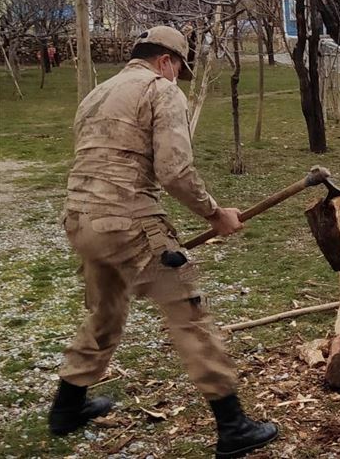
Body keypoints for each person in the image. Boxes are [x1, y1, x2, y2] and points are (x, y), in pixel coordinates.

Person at [48, 26, 278, 458]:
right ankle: (233, 427)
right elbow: (174, 169)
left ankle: (67, 407)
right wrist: (214, 213)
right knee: (189, 313)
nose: (177, 78)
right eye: (179, 69)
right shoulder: (160, 89)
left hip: (80, 220)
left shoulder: (98, 93)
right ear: (166, 61)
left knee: (106, 309)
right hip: (129, 222)